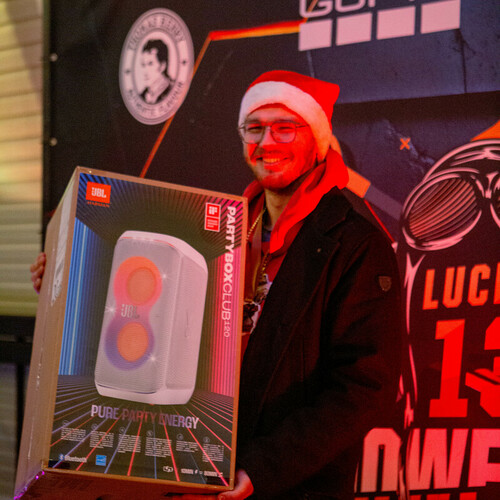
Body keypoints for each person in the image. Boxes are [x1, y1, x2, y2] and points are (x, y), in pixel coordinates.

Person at [31, 70, 403, 500]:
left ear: (318, 140)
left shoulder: (357, 242)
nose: (267, 143)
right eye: (254, 128)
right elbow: (147, 313)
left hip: (289, 487)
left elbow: (364, 388)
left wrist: (261, 469)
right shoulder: (223, 230)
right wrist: (66, 282)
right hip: (199, 470)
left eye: (285, 128)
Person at [140, 39, 174, 104]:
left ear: (162, 66)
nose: (145, 71)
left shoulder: (172, 91)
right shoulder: (142, 96)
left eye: (150, 64)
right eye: (143, 64)